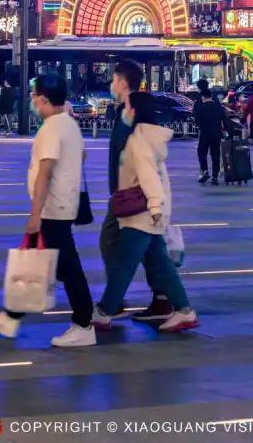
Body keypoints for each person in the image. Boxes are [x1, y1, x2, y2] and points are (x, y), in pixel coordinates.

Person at [0, 74, 95, 347]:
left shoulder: (51, 128)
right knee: (43, 263)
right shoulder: (69, 124)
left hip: (52, 210)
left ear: (43, 99)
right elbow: (81, 156)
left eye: (33, 96)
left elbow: (45, 173)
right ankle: (11, 317)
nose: (31, 101)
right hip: (61, 206)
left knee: (66, 268)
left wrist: (34, 214)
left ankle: (84, 323)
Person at [92, 91, 199, 332]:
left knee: (124, 263)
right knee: (160, 264)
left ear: (135, 111)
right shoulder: (150, 137)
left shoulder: (138, 140)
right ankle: (184, 311)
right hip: (152, 211)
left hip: (142, 213)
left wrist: (154, 206)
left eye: (127, 107)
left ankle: (104, 312)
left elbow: (148, 176)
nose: (124, 111)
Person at [101, 60, 171, 321]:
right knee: (153, 250)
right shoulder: (128, 107)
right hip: (130, 192)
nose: (110, 84)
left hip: (132, 193)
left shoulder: (135, 107)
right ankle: (164, 300)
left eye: (112, 79)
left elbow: (139, 150)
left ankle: (112, 303)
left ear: (121, 81)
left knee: (111, 243)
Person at [192, 79, 231, 185]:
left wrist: (200, 126)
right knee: (215, 154)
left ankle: (204, 171)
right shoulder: (218, 106)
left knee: (202, 153)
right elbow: (224, 119)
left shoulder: (200, 105)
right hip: (216, 133)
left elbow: (196, 119)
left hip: (204, 133)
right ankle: (215, 176)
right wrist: (227, 132)